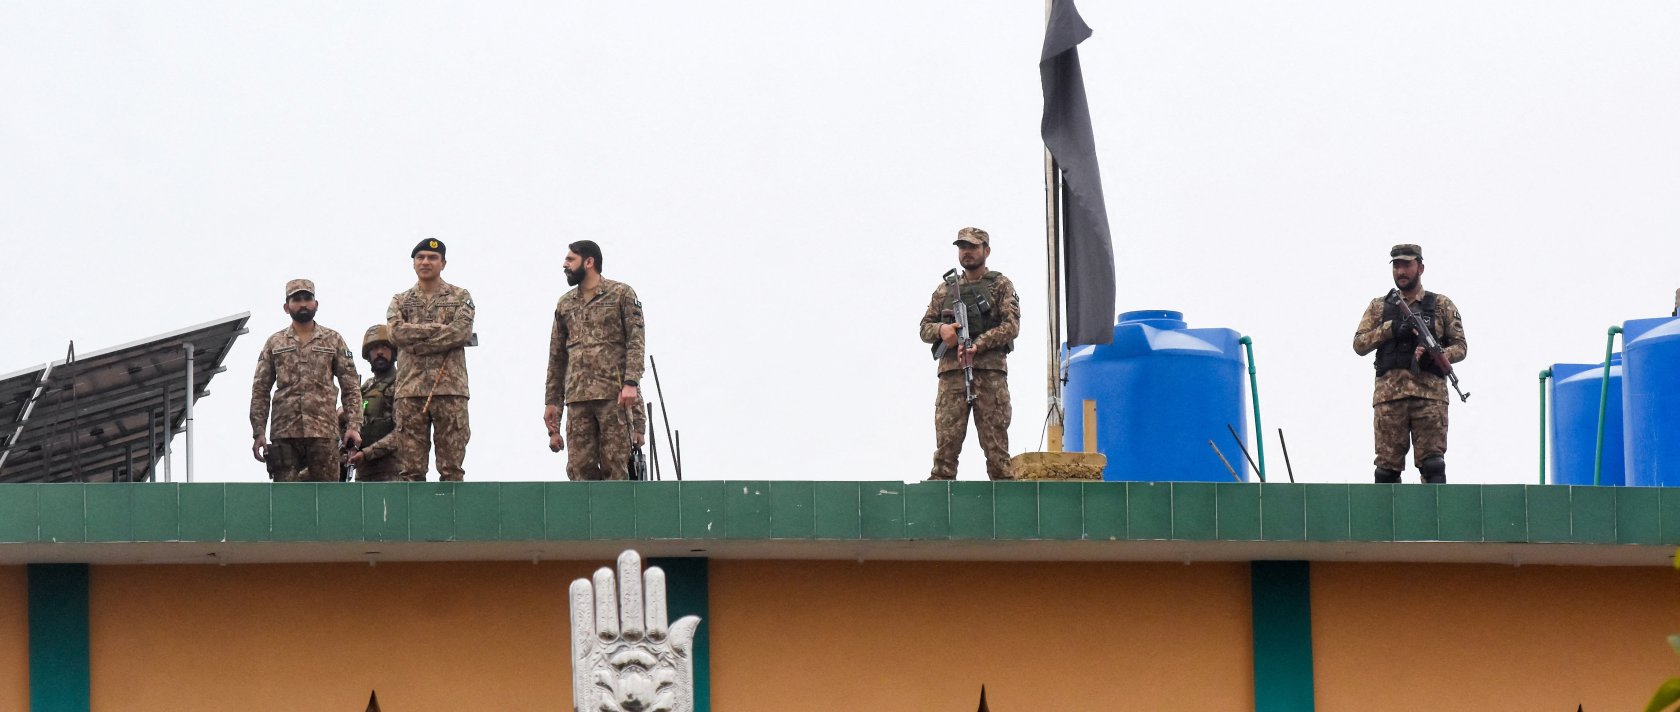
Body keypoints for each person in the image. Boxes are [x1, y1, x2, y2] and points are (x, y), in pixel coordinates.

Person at [1352, 244, 1468, 484]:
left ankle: (1433, 521)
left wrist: (1437, 354)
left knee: (1433, 467)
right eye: (1396, 266)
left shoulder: (1441, 305)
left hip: (1430, 398)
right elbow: (1359, 344)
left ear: (1421, 267)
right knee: (1386, 471)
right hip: (1389, 399)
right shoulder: (1380, 306)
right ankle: (1386, 522)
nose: (1401, 271)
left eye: (1406, 265)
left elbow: (1461, 347)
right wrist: (1391, 329)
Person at [918, 227, 1021, 481]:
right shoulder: (945, 290)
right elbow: (924, 327)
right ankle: (939, 501)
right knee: (946, 448)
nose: (967, 252)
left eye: (973, 247)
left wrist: (979, 344)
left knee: (997, 450)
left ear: (986, 250)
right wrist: (943, 330)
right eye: (963, 247)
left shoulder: (999, 285)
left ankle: (1005, 505)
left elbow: (1011, 326)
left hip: (989, 373)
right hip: (953, 374)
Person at [544, 240, 645, 481]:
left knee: (616, 468)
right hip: (577, 400)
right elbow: (557, 357)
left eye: (570, 260)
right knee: (579, 470)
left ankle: (617, 519)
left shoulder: (621, 294)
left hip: (614, 397)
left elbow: (636, 342)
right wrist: (552, 403)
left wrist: (631, 383)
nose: (565, 265)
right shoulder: (565, 304)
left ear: (589, 262)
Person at [250, 279, 362, 482]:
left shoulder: (333, 339)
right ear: (286, 307)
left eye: (307, 299)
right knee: (286, 499)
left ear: (316, 304)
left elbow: (351, 386)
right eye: (296, 299)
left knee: (327, 496)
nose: (303, 304)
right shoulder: (275, 342)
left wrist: (354, 426)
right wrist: (258, 432)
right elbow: (260, 389)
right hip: (284, 433)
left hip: (323, 432)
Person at [386, 238, 475, 481]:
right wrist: (438, 331)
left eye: (433, 258)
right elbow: (395, 333)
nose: (426, 262)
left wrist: (419, 343)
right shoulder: (400, 300)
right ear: (413, 263)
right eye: (421, 257)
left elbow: (461, 331)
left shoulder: (459, 296)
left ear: (443, 263)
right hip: (410, 391)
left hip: (450, 390)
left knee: (452, 469)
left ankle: (452, 517)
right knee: (410, 472)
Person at [347, 325, 403, 481]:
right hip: (364, 473)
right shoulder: (364, 388)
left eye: (385, 347)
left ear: (394, 352)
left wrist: (367, 453)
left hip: (393, 473)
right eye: (374, 348)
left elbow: (402, 433)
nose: (379, 352)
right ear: (368, 355)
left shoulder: (402, 384)